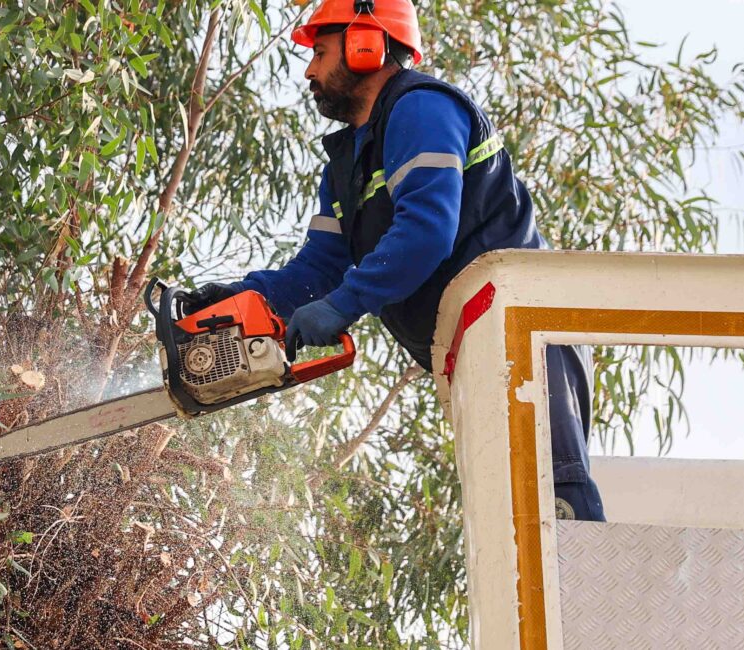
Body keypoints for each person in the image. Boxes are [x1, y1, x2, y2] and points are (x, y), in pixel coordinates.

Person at [185, 0, 605, 521]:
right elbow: (319, 269)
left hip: (523, 326)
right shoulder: (345, 168)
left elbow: (425, 232)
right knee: (511, 516)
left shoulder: (421, 107)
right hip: (469, 348)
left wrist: (346, 304)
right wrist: (245, 297)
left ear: (366, 44)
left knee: (553, 490)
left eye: (319, 51)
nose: (310, 71)